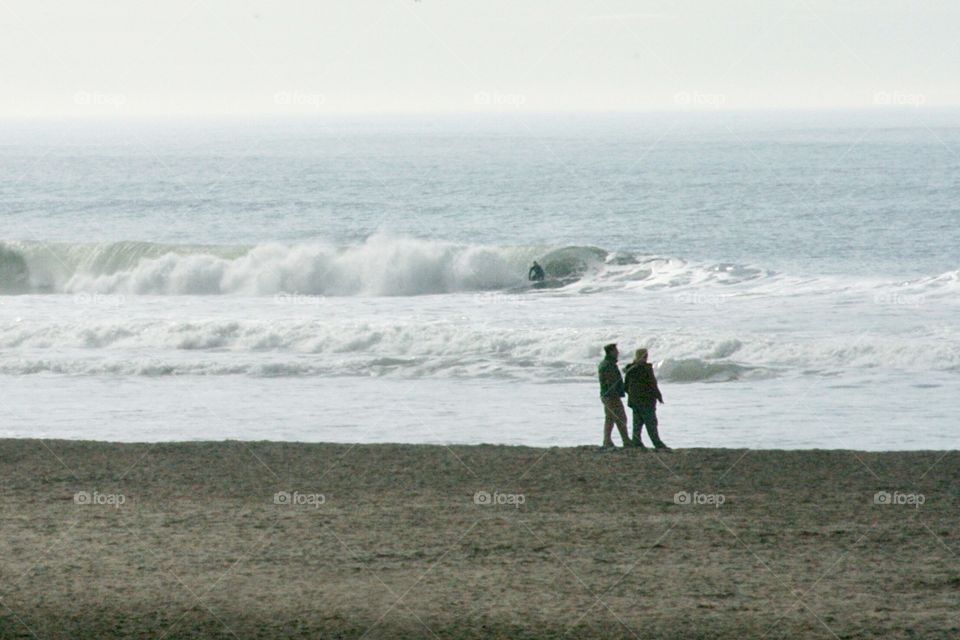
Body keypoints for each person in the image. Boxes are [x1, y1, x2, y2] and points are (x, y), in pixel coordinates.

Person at [623, 348, 670, 450]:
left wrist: (633, 395)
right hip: (647, 400)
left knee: (637, 423)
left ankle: (636, 442)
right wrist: (658, 396)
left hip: (634, 401)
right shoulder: (646, 368)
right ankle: (657, 443)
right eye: (646, 356)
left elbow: (625, 386)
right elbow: (652, 384)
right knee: (651, 422)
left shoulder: (630, 369)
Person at [598, 343, 631, 448]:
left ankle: (607, 440)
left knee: (610, 418)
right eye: (616, 351)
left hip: (606, 395)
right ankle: (626, 440)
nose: (618, 352)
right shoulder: (608, 365)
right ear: (611, 352)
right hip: (611, 396)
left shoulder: (607, 363)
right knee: (621, 418)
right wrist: (616, 394)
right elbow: (612, 382)